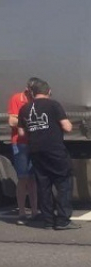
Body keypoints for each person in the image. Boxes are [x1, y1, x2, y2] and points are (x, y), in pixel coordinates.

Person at [18, 78, 80, 230]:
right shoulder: (54, 105)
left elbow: (21, 132)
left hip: (36, 151)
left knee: (43, 185)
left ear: (32, 93)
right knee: (63, 183)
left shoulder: (24, 108)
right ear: (49, 91)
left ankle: (48, 221)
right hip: (54, 149)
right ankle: (63, 220)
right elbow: (67, 127)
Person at [6, 78, 38, 224]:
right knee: (23, 178)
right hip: (19, 143)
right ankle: (22, 212)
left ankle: (35, 211)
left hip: (34, 142)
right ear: (27, 90)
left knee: (33, 179)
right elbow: (11, 121)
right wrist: (27, 120)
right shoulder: (16, 98)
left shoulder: (36, 100)